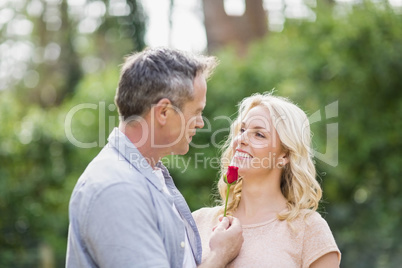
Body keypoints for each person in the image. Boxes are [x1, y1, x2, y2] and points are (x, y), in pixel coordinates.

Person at [66, 47, 243, 267]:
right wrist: (220, 255)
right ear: (163, 112)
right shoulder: (117, 189)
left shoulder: (150, 177)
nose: (200, 123)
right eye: (196, 112)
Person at [193, 93, 341, 267]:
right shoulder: (198, 221)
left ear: (284, 155)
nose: (240, 140)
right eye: (242, 130)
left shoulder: (309, 229)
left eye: (259, 135)